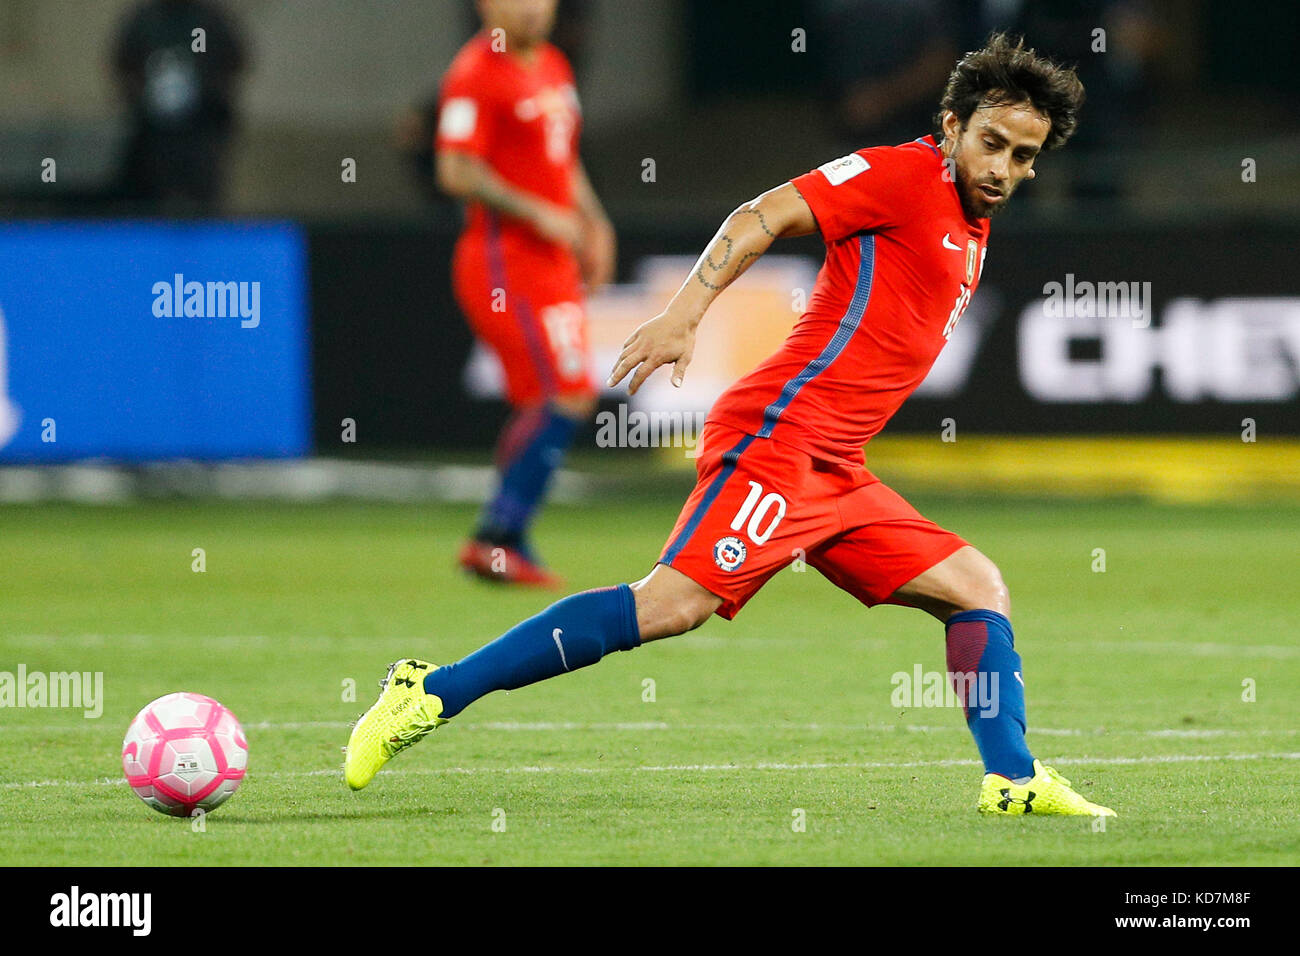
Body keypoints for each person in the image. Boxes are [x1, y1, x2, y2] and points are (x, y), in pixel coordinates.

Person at [346, 34, 1113, 817]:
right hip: (781, 439)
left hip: (836, 465)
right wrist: (682, 317)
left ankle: (1012, 781)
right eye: (991, 143)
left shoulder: (970, 216)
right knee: (670, 606)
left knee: (976, 587)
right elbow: (762, 214)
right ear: (951, 124)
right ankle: (429, 692)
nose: (1003, 169)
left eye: (1024, 156)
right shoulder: (902, 173)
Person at [436, 0, 615, 587]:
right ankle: (497, 536)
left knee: (562, 394)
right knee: (561, 394)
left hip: (551, 260)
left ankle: (503, 536)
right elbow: (457, 170)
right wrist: (538, 213)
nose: (534, 8)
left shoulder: (555, 65)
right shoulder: (475, 72)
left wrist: (594, 221)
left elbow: (564, 160)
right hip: (502, 262)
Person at [112, 0, 247, 210]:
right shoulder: (144, 20)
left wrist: (208, 88)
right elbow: (122, 64)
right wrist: (142, 95)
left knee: (201, 199)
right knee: (154, 197)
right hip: (154, 135)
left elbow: (236, 61)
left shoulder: (210, 20)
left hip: (200, 129)